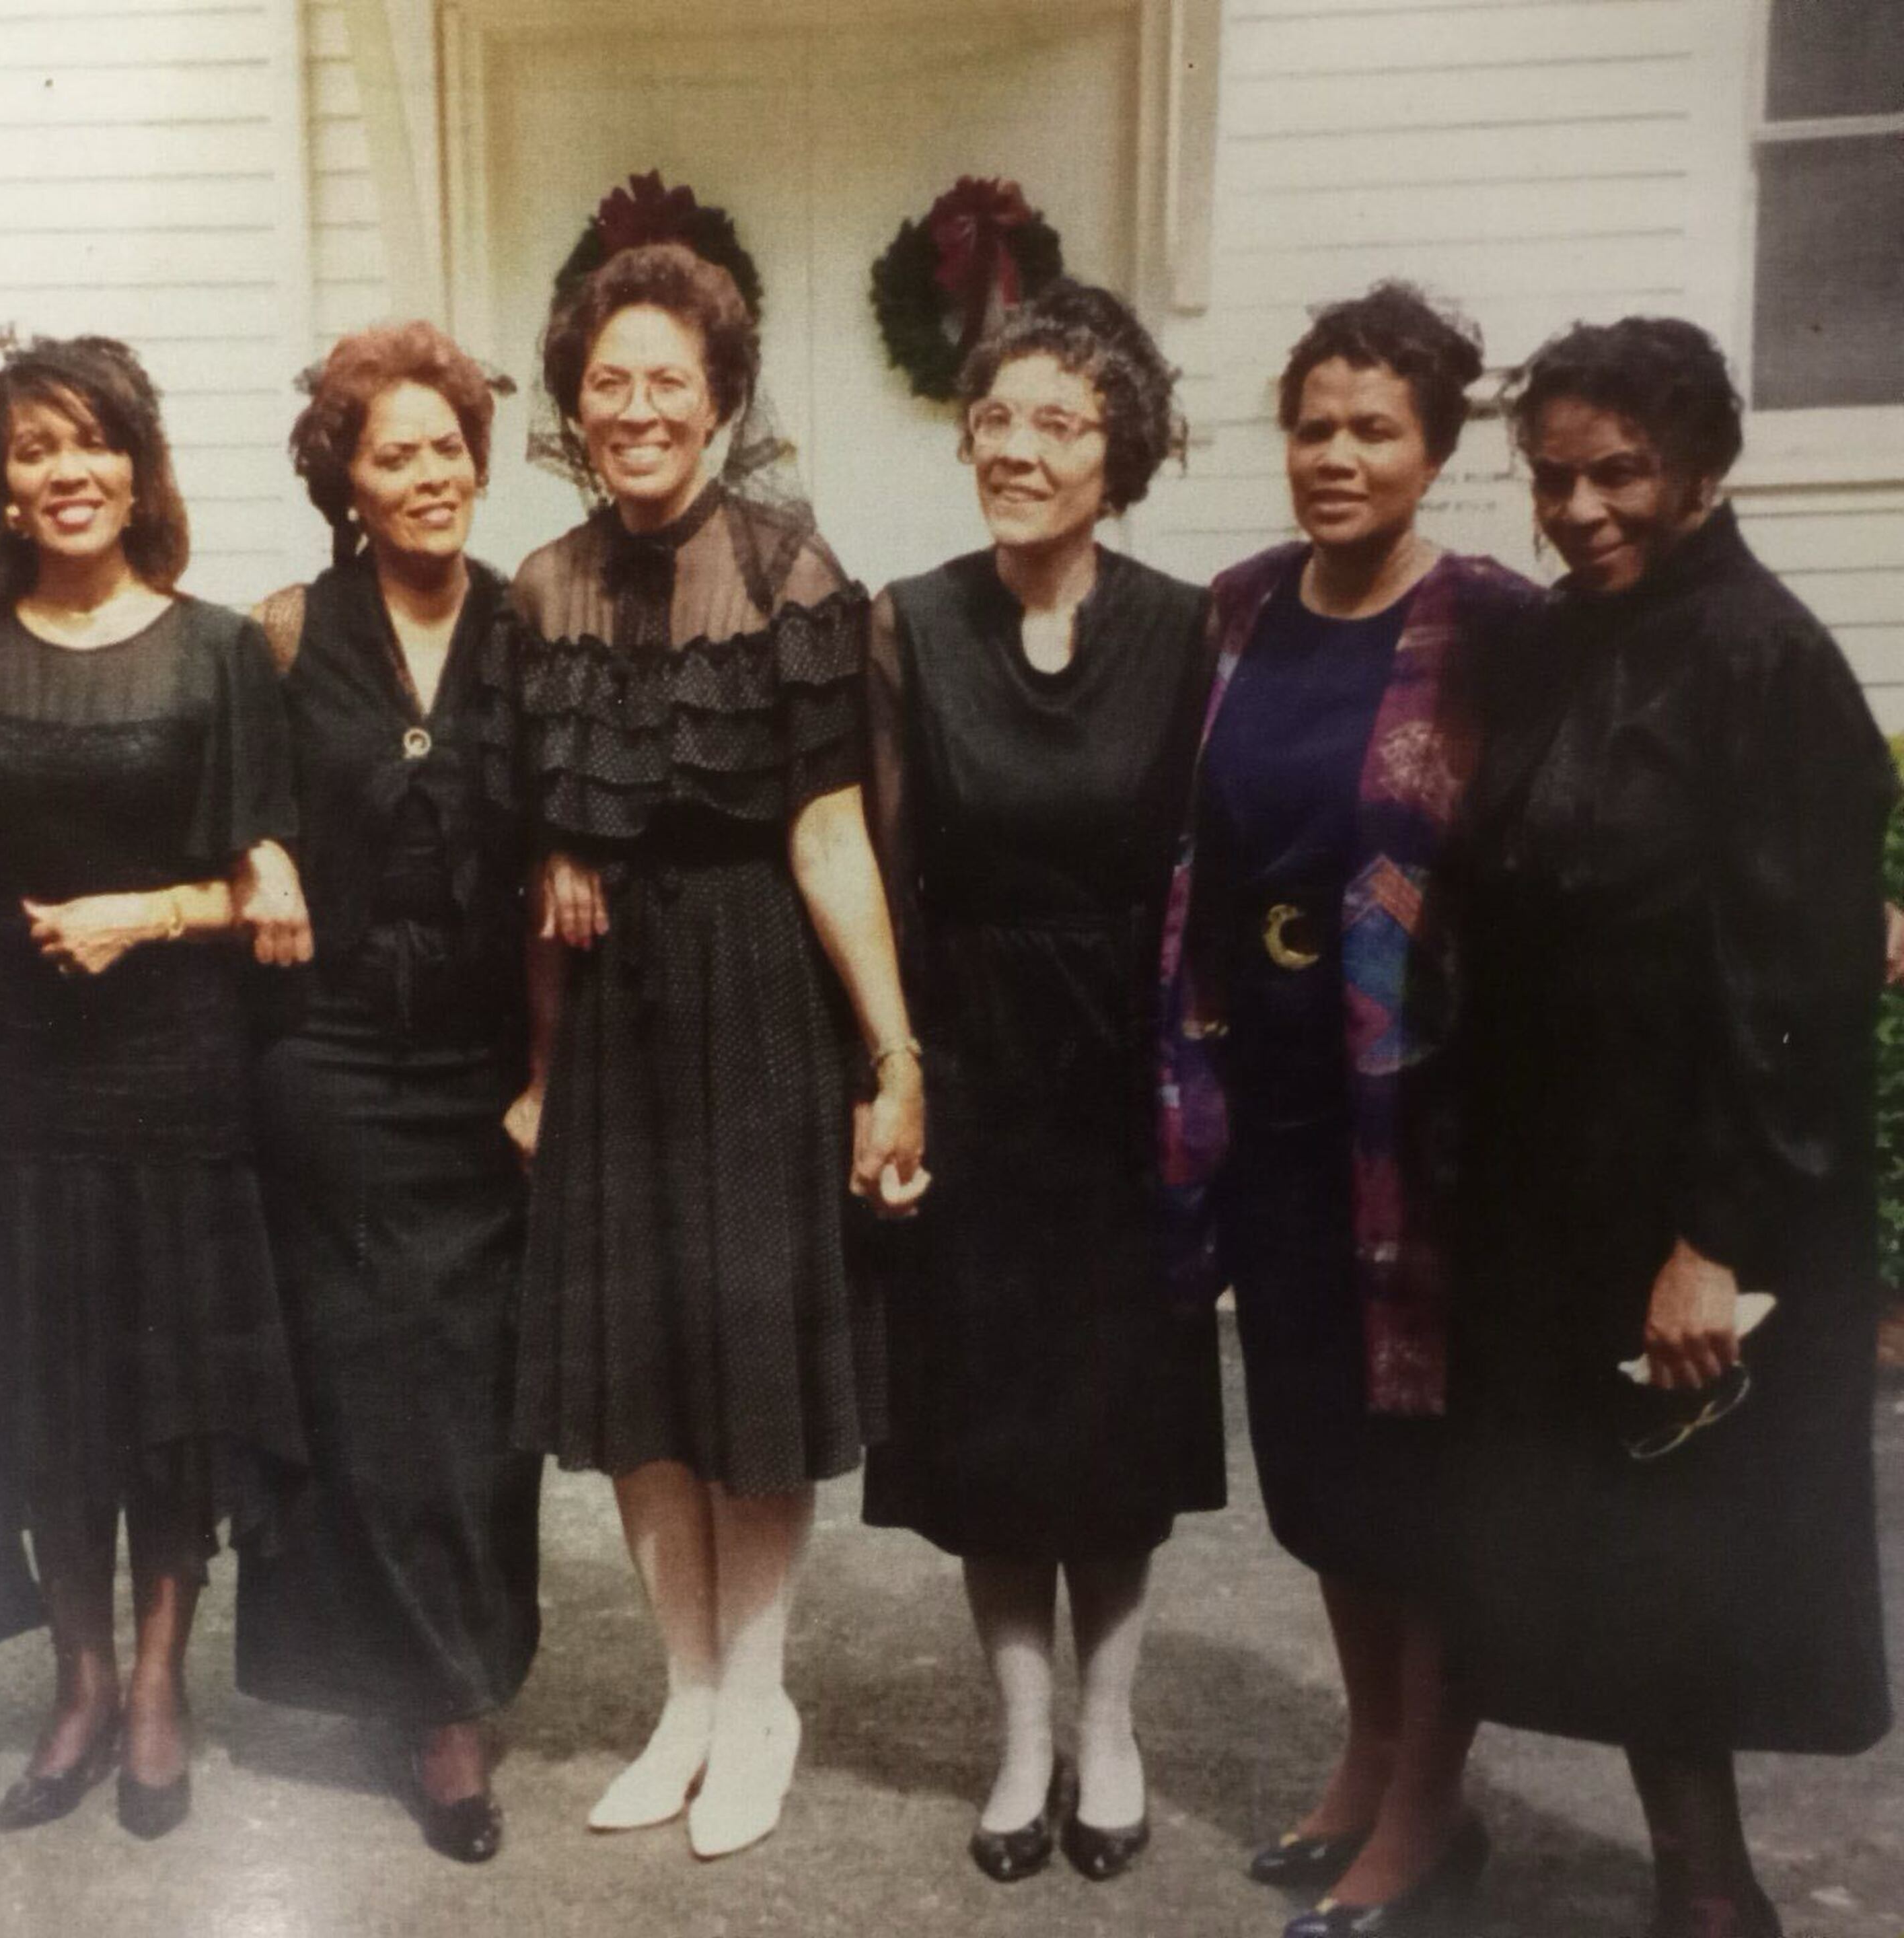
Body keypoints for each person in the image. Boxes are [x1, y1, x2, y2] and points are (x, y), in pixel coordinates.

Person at [481, 235, 926, 1860]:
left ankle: (759, 1697)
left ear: (725, 402)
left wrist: (894, 1056)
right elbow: (522, 822)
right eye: (611, 382)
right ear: (575, 408)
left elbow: (828, 833)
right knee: (641, 1374)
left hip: (753, 998)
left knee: (745, 1370)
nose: (640, 407)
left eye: (672, 380)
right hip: (612, 1017)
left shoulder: (796, 575)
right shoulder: (541, 589)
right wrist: (552, 848)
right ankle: (681, 1693)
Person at [1448, 318, 1894, 1938]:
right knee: (1618, 1578)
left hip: (1698, 1196)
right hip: (1562, 1184)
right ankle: (1691, 1886)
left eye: (1620, 471)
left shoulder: (1764, 660)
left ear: (1703, 468)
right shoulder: (1558, 642)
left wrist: (1715, 1240)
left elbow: (1809, 995)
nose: (1578, 507)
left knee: (1690, 1579)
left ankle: (1718, 1907)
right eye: (1553, 475)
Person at [1155, 283, 1537, 1937]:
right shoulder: (1238, 611)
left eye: (1373, 428)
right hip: (1276, 1093)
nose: (1334, 455)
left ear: (1436, 448)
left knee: (1419, 1466)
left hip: (1427, 1106)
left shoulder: (1499, 624)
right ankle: (1367, 1756)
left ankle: (1430, 1810)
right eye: (1312, 424)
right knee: (1315, 1455)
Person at [859, 284, 1222, 1886]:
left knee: (1118, 1442)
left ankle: (1116, 1729)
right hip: (978, 1072)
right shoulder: (911, 622)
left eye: (1058, 423)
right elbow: (882, 863)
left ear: (1120, 450)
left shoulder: (1193, 627)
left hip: (1132, 1086)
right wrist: (898, 1077)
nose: (1016, 448)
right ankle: (1021, 1743)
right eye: (994, 419)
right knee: (995, 1440)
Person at [0, 334, 310, 1843]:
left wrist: (142, 913)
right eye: (37, 447)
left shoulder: (219, 650)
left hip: (174, 1081)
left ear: (137, 468)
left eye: (92, 442)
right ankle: (81, 1680)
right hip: (19, 1089)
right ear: (7, 482)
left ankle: (161, 1682)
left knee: (167, 1406)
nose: (66, 471)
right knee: (55, 1405)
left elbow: (270, 895)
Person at [235, 323, 544, 1864]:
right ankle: (432, 1716)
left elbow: (577, 827)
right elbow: (234, 801)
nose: (429, 476)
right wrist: (265, 848)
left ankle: (456, 1674)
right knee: (368, 1394)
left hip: (484, 1069)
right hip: (335, 1061)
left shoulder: (529, 625)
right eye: (394, 453)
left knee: (477, 1399)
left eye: (448, 447)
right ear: (345, 479)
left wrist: (551, 1067)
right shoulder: (288, 634)